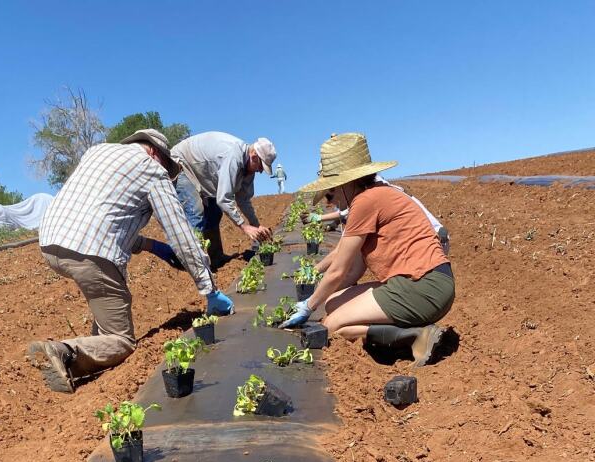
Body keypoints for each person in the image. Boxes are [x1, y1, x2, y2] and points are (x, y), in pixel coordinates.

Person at [29, 129, 234, 393]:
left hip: (50, 244)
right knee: (122, 340)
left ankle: (86, 353)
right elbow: (180, 233)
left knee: (107, 307)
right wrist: (209, 289)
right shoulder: (152, 170)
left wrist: (152, 246)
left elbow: (104, 218)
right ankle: (64, 352)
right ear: (154, 152)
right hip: (91, 254)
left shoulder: (98, 151)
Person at [281, 133, 456, 366]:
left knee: (331, 325)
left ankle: (413, 336)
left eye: (331, 192)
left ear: (345, 183)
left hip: (424, 287)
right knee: (333, 303)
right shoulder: (374, 195)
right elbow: (353, 272)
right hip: (419, 282)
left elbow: (339, 270)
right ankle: (405, 328)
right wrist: (324, 299)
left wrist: (309, 305)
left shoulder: (366, 201)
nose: (331, 202)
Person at [171, 132, 277, 267]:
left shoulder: (248, 169)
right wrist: (244, 226)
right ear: (254, 156)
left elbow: (243, 200)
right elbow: (223, 199)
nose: (260, 171)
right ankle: (189, 264)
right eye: (261, 166)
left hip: (201, 174)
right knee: (195, 211)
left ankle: (215, 257)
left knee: (215, 212)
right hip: (181, 165)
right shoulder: (233, 156)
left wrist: (256, 225)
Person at [313, 182, 450, 254]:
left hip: (431, 243)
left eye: (330, 196)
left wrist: (319, 217)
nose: (329, 203)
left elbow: (348, 214)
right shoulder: (367, 190)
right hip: (425, 243)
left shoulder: (370, 195)